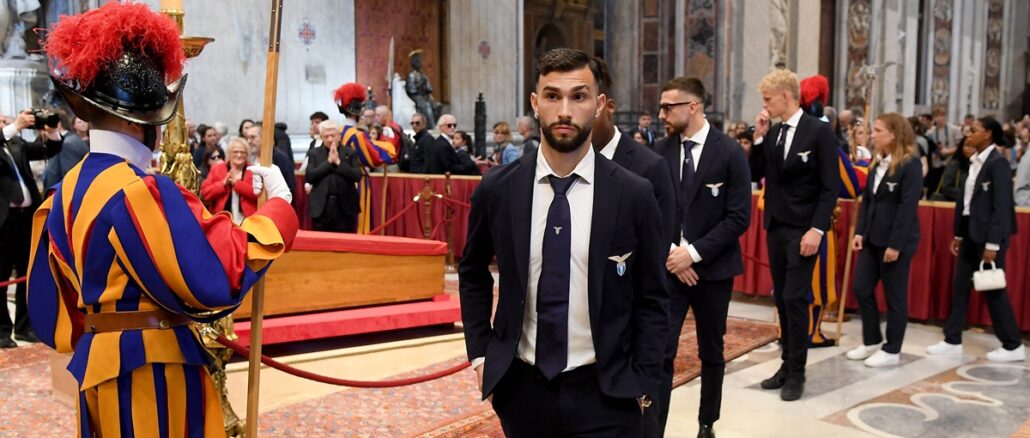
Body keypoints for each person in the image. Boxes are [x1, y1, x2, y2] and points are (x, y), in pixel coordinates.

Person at [28, 4, 298, 435]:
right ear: (148, 122)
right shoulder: (137, 191)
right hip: (152, 371)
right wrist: (279, 209)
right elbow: (216, 274)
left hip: (97, 366)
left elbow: (48, 312)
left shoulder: (62, 195)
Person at [459, 48, 669, 436]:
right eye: (553, 96)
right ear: (536, 103)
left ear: (600, 104)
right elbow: (472, 272)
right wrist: (480, 354)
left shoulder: (634, 193)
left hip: (607, 392)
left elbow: (653, 296)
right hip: (522, 390)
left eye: (579, 96)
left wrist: (643, 378)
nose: (565, 111)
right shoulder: (498, 189)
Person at [653, 76, 751, 438]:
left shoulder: (729, 153)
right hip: (669, 270)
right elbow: (650, 211)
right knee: (661, 350)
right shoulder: (660, 152)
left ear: (693, 106)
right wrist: (672, 256)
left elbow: (739, 217)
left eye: (668, 107)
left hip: (713, 270)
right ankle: (654, 426)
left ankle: (707, 422)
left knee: (712, 349)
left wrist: (692, 255)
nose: (662, 113)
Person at [749, 68, 839, 401]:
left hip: (805, 229)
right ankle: (785, 365)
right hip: (776, 226)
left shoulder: (818, 132)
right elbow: (756, 174)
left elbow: (830, 187)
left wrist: (817, 229)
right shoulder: (773, 134)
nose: (765, 105)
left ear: (786, 97)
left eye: (768, 99)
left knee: (795, 299)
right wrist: (758, 138)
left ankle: (797, 373)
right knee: (782, 298)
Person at [926, 116, 1024, 362]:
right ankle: (952, 340)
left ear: (988, 134)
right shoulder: (974, 162)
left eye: (974, 131)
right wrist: (959, 232)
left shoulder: (997, 163)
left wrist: (992, 244)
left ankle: (1012, 345)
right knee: (960, 287)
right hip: (970, 231)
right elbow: (967, 202)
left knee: (992, 289)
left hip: (989, 236)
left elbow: (1001, 207)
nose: (968, 135)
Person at [848, 113, 923, 368]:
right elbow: (868, 200)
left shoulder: (910, 164)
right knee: (861, 287)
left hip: (895, 241)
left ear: (893, 134)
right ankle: (871, 340)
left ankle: (892, 349)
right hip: (872, 238)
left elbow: (907, 206)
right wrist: (860, 231)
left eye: (878, 130)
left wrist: (896, 244)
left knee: (894, 296)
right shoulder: (876, 163)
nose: (872, 134)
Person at [0, 110, 62, 348]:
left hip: (24, 218)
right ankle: (2, 330)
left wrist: (53, 130)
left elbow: (49, 150)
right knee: (2, 274)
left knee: (27, 272)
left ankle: (24, 327)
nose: (6, 123)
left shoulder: (16, 143)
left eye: (6, 120)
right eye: (2, 121)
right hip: (2, 222)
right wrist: (15, 125)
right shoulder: (7, 136)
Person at [305, 120, 363, 232]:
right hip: (321, 207)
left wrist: (338, 163)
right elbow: (310, 176)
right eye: (326, 136)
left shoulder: (349, 152)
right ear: (321, 137)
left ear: (339, 136)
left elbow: (357, 176)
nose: (330, 139)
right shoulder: (314, 153)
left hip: (345, 207)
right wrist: (328, 162)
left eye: (333, 135)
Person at [201, 138, 258, 223]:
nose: (239, 155)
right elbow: (205, 193)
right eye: (235, 152)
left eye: (243, 152)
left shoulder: (254, 171)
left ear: (247, 155)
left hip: (248, 221)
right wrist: (223, 184)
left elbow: (257, 195)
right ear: (229, 153)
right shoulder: (217, 169)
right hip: (221, 219)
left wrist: (238, 184)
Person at [244, 125, 296, 199]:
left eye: (253, 137)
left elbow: (290, 186)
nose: (248, 141)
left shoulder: (279, 157)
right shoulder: (250, 157)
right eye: (247, 138)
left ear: (264, 138)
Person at [43, 110, 89, 190]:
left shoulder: (67, 142)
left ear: (58, 123)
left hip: (60, 191)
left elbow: (69, 176)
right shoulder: (69, 139)